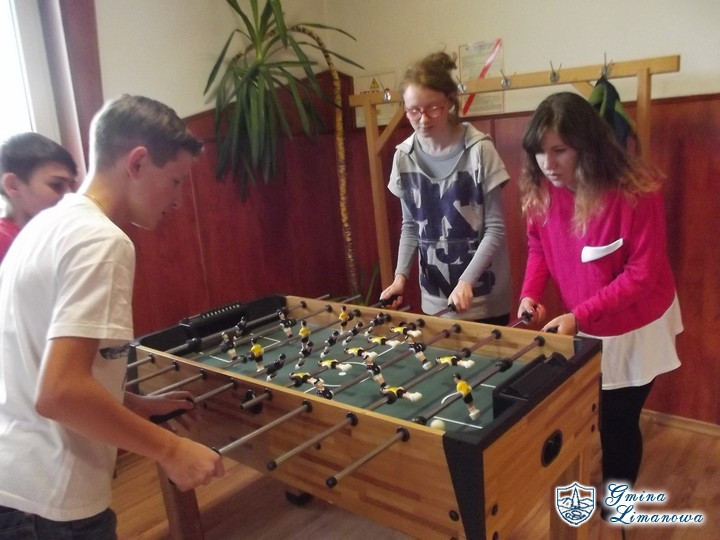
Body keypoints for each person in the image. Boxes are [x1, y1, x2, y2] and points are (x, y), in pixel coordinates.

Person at [0, 95, 225, 538]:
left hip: (15, 483)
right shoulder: (102, 241)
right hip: (51, 501)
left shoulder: (45, 225)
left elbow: (34, 363)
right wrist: (173, 450)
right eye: (175, 181)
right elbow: (60, 392)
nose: (178, 201)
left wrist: (135, 405)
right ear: (137, 162)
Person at [516, 92, 682, 510]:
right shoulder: (542, 190)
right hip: (585, 320)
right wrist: (530, 294)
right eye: (539, 152)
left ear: (586, 146)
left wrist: (579, 315)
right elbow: (538, 247)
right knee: (594, 413)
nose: (547, 163)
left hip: (636, 324)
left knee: (618, 422)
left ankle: (617, 507)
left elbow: (642, 275)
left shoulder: (636, 192)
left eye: (559, 150)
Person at [380, 51, 511, 324]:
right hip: (435, 302)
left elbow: (495, 229)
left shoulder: (480, 150)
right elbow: (411, 226)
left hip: (484, 302)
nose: (423, 119)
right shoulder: (403, 157)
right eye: (413, 111)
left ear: (450, 101)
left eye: (433, 108)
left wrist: (466, 281)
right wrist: (400, 278)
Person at [0, 132, 77, 261]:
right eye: (56, 185)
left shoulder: (52, 234)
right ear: (13, 185)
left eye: (72, 187)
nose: (69, 196)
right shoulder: (3, 240)